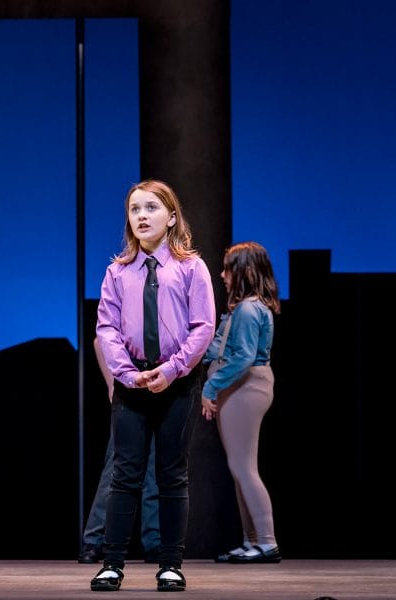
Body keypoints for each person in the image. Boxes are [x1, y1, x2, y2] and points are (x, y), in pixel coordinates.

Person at [91, 180, 215, 593]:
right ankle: (112, 564)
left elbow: (203, 327)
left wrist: (173, 369)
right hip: (134, 383)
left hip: (177, 382)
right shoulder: (117, 271)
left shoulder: (191, 268)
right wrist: (128, 374)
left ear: (172, 217)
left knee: (171, 474)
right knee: (125, 474)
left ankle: (170, 564)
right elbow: (107, 328)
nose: (142, 216)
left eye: (151, 208)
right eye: (134, 209)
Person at [200, 241, 282, 564]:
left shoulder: (249, 309)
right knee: (240, 468)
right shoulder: (247, 308)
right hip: (240, 387)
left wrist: (211, 386)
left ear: (244, 271)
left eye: (227, 269)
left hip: (244, 387)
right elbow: (225, 350)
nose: (222, 275)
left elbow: (244, 357)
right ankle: (253, 540)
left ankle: (266, 542)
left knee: (244, 468)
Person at [79, 338, 162, 565]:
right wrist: (111, 385)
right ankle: (94, 540)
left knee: (154, 470)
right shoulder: (128, 315)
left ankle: (154, 542)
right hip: (129, 394)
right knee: (116, 469)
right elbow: (99, 342)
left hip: (160, 393)